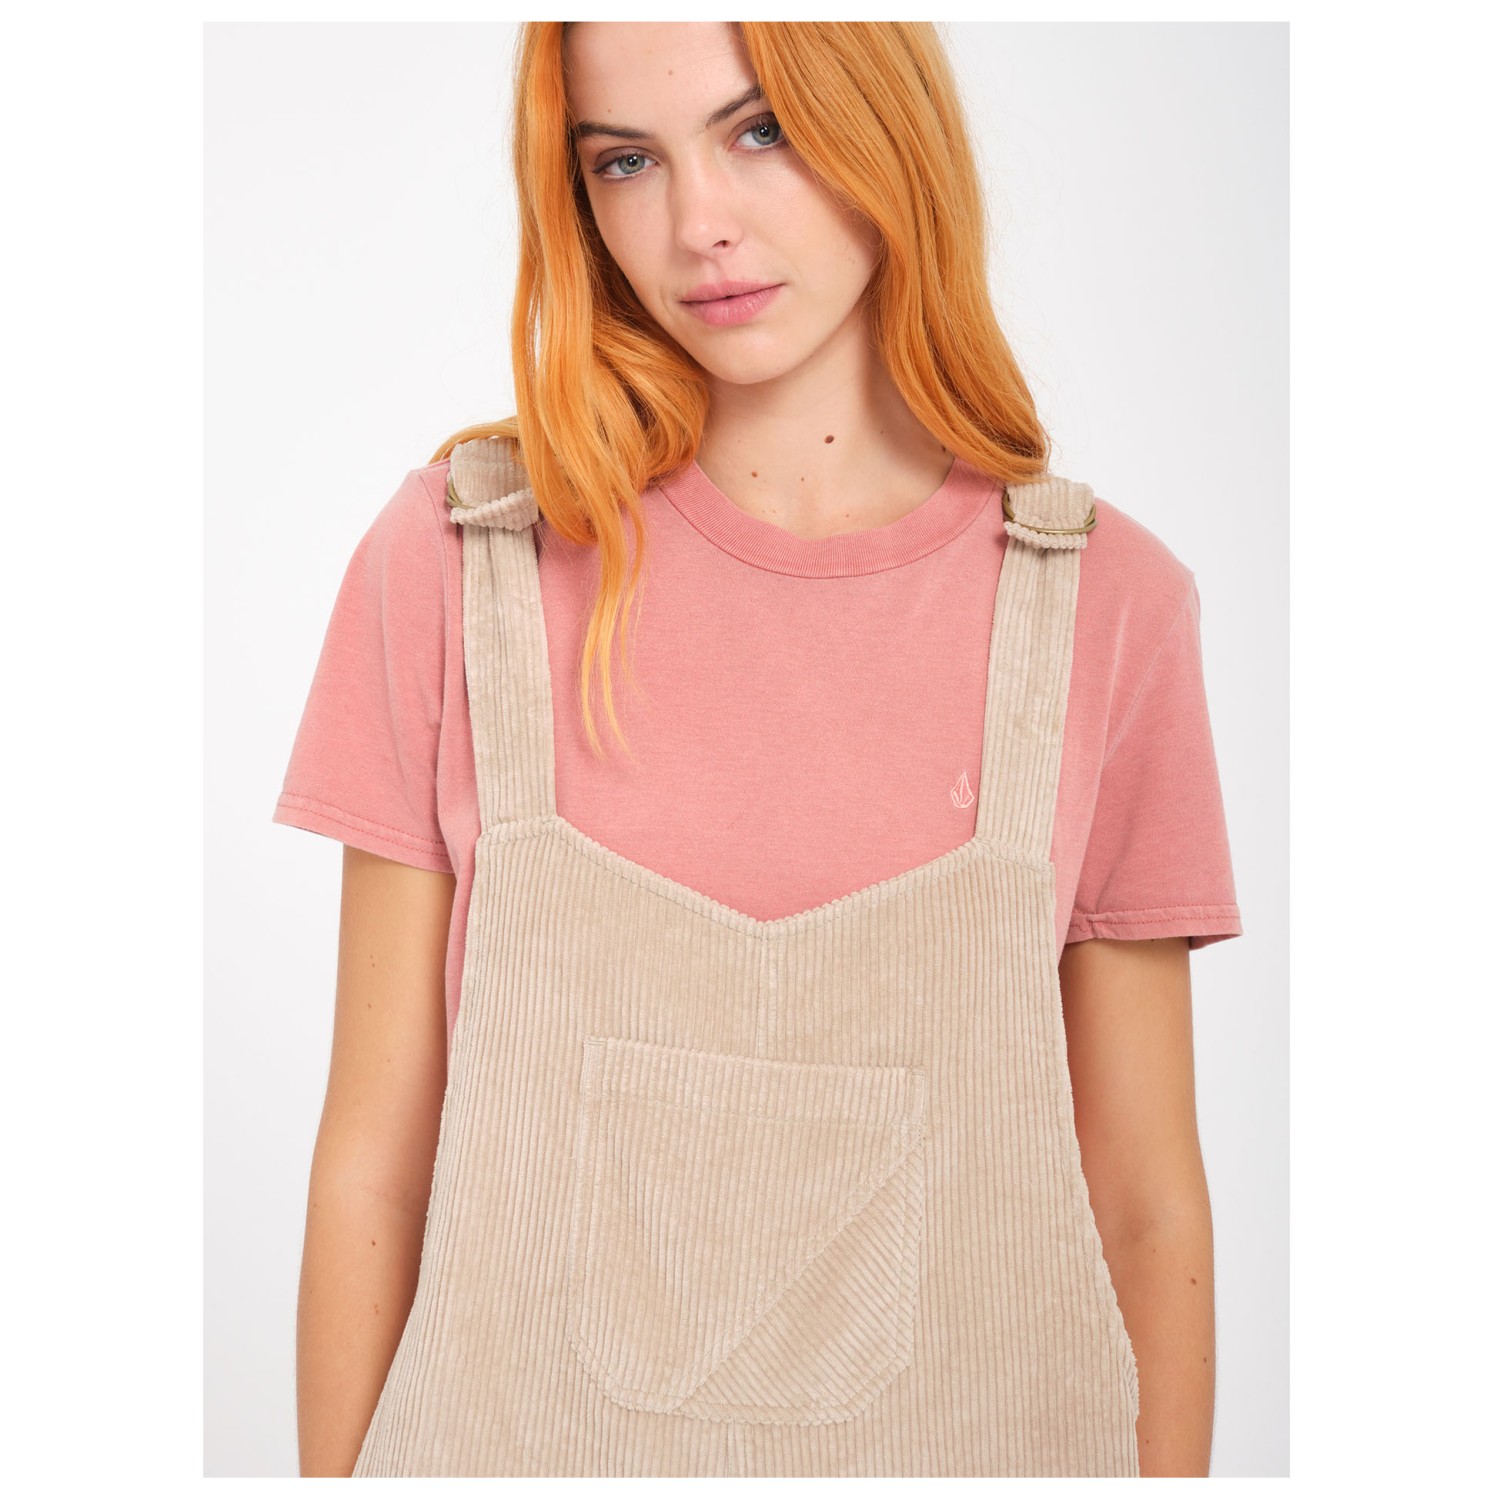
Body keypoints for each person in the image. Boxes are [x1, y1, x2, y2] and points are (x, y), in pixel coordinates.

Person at [274, 21, 1241, 1480]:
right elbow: (373, 1168)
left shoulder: (1106, 606)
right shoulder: (459, 565)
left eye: (762, 131)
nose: (698, 225)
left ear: (886, 124)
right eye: (625, 161)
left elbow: (1147, 1208)